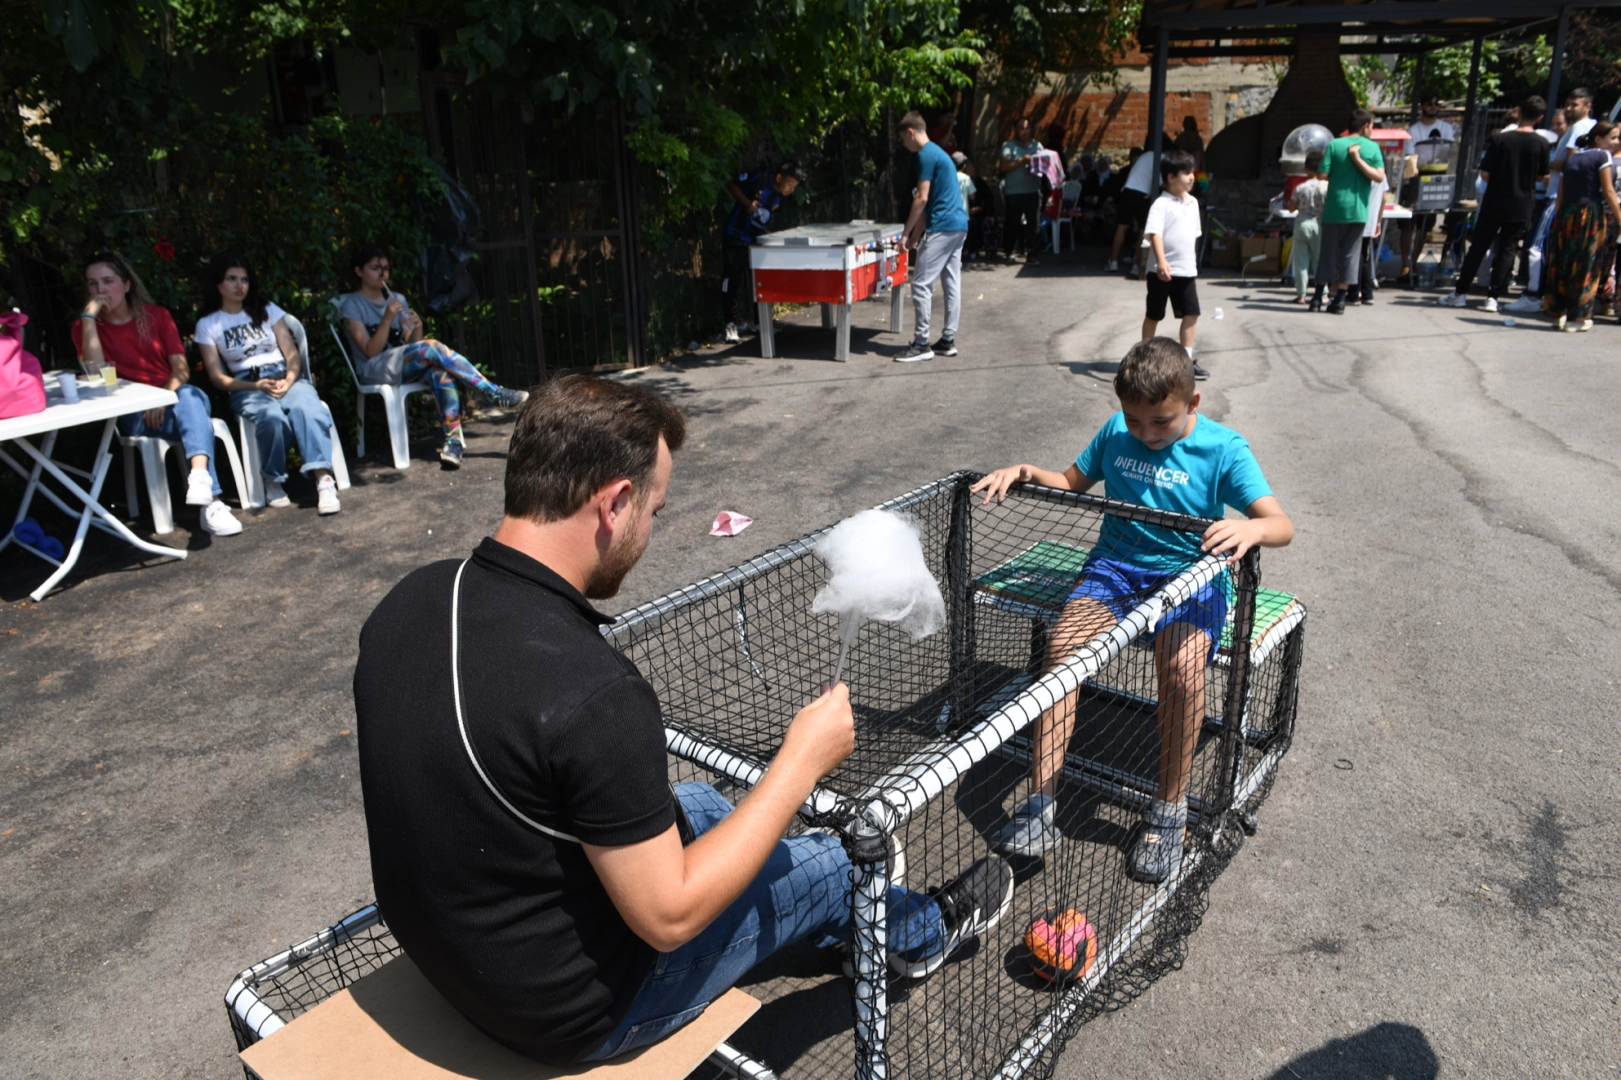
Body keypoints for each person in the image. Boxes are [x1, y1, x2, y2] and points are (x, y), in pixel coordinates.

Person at [353, 374, 1014, 1065]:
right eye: (654, 511)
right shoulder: (592, 693)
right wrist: (800, 764)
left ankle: (841, 925)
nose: (649, 531)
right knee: (832, 862)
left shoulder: (411, 599)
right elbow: (668, 918)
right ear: (615, 502)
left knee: (699, 803)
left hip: (460, 951)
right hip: (574, 1010)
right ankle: (921, 931)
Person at [972, 338, 1293, 884]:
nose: (1146, 433)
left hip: (1192, 576)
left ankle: (1169, 810)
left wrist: (1252, 528)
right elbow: (1070, 482)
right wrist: (1027, 471)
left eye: (1161, 421)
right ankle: (1041, 804)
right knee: (1063, 652)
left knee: (1182, 670)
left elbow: (1281, 525)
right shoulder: (1114, 434)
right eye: (1134, 419)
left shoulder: (1224, 449)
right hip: (1115, 570)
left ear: (1192, 402)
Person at [71, 251, 242, 536]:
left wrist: (161, 399)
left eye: (108, 281)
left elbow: (181, 369)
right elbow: (97, 374)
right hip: (133, 411)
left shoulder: (157, 316)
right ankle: (211, 501)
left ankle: (201, 481)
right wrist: (89, 316)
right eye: (92, 284)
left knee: (191, 395)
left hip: (172, 400)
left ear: (126, 284)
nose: (100, 290)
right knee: (195, 409)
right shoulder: (85, 327)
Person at [340, 244, 529, 470]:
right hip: (373, 369)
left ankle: (453, 443)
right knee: (431, 347)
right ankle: (493, 393)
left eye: (386, 268)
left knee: (440, 373)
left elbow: (412, 345)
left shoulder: (397, 299)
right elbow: (370, 351)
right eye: (375, 268)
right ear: (358, 271)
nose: (383, 274)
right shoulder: (352, 305)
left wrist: (417, 327)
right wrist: (388, 319)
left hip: (401, 365)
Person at [194, 253, 340, 514]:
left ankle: (324, 479)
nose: (240, 285)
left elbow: (292, 353)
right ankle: (273, 477)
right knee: (271, 418)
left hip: (284, 374)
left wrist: (290, 379)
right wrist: (255, 387)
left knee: (308, 408)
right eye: (231, 279)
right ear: (217, 283)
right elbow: (217, 379)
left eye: (244, 279)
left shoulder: (267, 309)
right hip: (246, 384)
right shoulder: (208, 324)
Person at [1439, 96, 1550, 313]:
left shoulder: (1501, 139)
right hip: (1522, 203)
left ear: (1519, 112)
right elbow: (1541, 176)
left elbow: (1485, 173)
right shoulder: (1542, 143)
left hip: (1495, 200)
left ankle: (1460, 293)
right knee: (1507, 249)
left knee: (1479, 246)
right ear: (1540, 117)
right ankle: (1493, 297)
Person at [1507, 88, 1597, 314]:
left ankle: (1533, 295)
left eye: (1574, 105)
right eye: (1567, 104)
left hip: (1558, 195)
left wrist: (1543, 164)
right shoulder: (1589, 127)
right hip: (1568, 197)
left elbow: (1573, 162)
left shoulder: (1579, 128)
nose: (1569, 108)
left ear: (1587, 106)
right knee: (1553, 249)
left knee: (1537, 246)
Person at [895, 111, 969, 364]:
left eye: (903, 139)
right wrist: (913, 239)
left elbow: (921, 199)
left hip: (942, 227)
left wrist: (904, 234)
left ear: (910, 132)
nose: (904, 145)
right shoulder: (940, 153)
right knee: (951, 283)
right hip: (958, 226)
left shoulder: (925, 155)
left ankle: (921, 344)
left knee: (920, 284)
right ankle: (947, 340)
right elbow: (927, 210)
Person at [1542, 121, 1621, 332]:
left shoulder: (1572, 158)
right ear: (1598, 139)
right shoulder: (1602, 156)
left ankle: (1559, 313)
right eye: (1613, 137)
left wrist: (1558, 217)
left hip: (1567, 213)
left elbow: (1561, 193)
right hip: (1590, 213)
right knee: (1587, 264)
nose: (1616, 142)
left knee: (1564, 263)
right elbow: (1608, 191)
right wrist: (1620, 218)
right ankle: (1577, 317)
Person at [719, 161, 803, 344]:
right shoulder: (760, 179)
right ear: (779, 178)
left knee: (760, 280)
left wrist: (767, 234)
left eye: (794, 187)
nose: (791, 190)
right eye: (789, 184)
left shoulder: (779, 197)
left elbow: (760, 219)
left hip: (755, 240)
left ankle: (759, 322)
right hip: (735, 235)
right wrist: (747, 203)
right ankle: (730, 324)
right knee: (731, 280)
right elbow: (731, 184)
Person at [1141, 150, 1206, 380]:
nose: (1192, 177)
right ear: (1170, 177)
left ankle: (1187, 360)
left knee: (1191, 313)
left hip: (1186, 271)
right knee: (1154, 314)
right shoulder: (1161, 204)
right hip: (1161, 271)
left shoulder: (1193, 203)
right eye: (1186, 173)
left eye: (1192, 172)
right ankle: (1146, 359)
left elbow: (1192, 235)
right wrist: (1161, 261)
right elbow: (1155, 234)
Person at [1318, 109, 1387, 315]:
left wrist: (1340, 172)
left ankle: (1317, 297)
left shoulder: (1334, 144)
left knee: (1328, 252)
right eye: (1372, 126)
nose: (1372, 130)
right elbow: (1379, 177)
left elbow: (1322, 174)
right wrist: (1357, 160)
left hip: (1334, 207)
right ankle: (1340, 299)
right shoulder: (1372, 148)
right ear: (1365, 126)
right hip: (1358, 209)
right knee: (1351, 255)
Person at [1398, 94, 1455, 285]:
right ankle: (1405, 264)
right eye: (1430, 104)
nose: (1433, 107)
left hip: (1437, 175)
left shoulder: (1446, 128)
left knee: (1425, 225)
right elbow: (1410, 156)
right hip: (1416, 177)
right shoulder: (1414, 130)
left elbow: (1447, 152)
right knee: (1407, 224)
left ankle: (1414, 262)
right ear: (1422, 106)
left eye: (1436, 104)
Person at [999, 117, 1045, 261]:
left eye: (1027, 128)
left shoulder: (1037, 145)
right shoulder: (1008, 145)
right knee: (1012, 223)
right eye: (1021, 128)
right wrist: (1022, 161)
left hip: (1032, 191)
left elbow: (1044, 164)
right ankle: (1010, 251)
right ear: (1016, 130)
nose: (1025, 132)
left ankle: (1032, 254)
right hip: (1014, 192)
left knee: (1033, 224)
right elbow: (1004, 166)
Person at [1288, 154, 1328, 306]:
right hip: (1319, 225)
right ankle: (1323, 294)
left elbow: (1291, 208)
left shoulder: (1300, 187)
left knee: (1301, 262)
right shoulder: (1327, 187)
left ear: (1306, 169)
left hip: (1302, 224)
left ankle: (1301, 295)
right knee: (1319, 261)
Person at [1354, 174, 1388, 305]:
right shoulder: (1380, 172)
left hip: (1355, 218)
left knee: (1355, 257)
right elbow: (1384, 198)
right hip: (1371, 219)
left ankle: (1355, 292)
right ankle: (1367, 293)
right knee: (1365, 257)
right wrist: (1378, 221)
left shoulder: (1357, 168)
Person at [960, 155, 995, 260]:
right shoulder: (961, 181)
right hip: (964, 212)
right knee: (970, 223)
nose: (971, 169)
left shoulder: (979, 182)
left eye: (972, 167)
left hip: (981, 211)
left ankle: (990, 251)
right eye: (969, 167)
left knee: (988, 221)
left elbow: (989, 198)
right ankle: (968, 250)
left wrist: (980, 208)